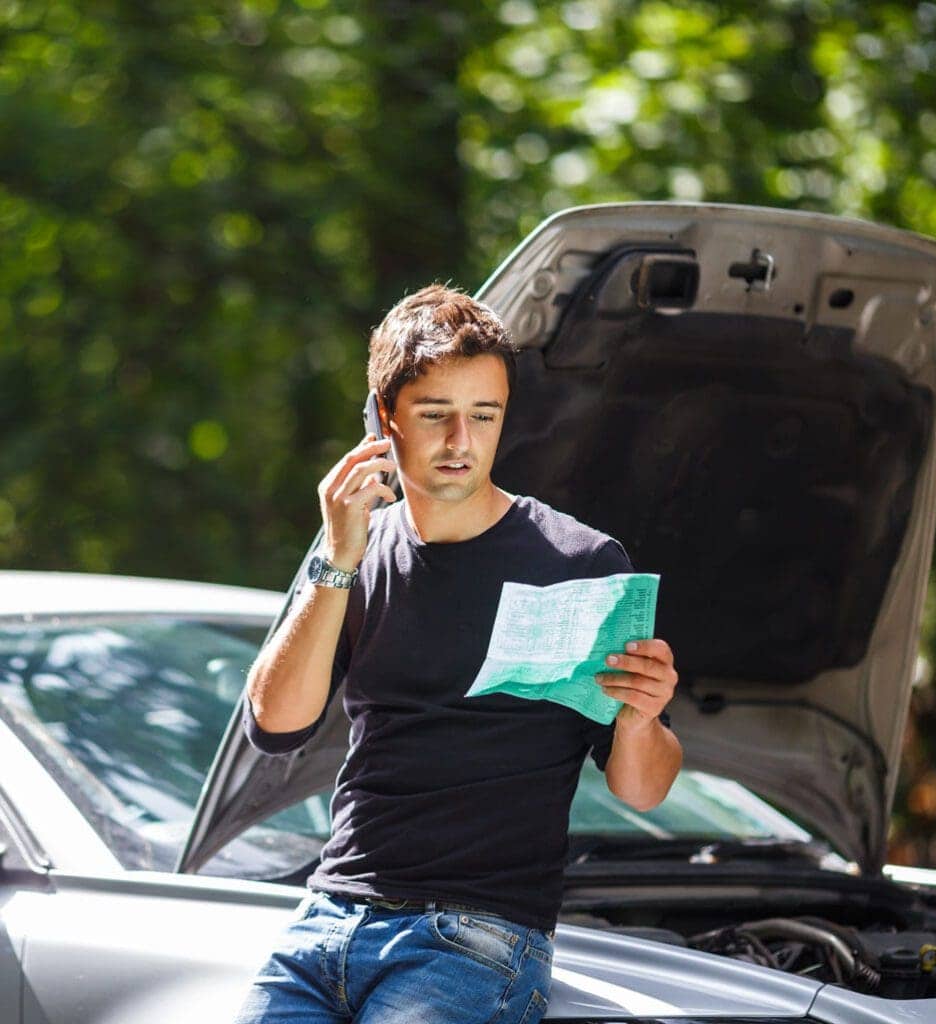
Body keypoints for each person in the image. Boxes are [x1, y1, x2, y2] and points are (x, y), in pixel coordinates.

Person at [233, 284, 682, 1024]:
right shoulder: (351, 549)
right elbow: (274, 725)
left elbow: (642, 790)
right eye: (435, 415)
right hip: (328, 918)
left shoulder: (579, 560)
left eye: (483, 416)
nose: (460, 443)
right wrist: (338, 553)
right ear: (384, 420)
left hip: (475, 937)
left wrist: (641, 717)